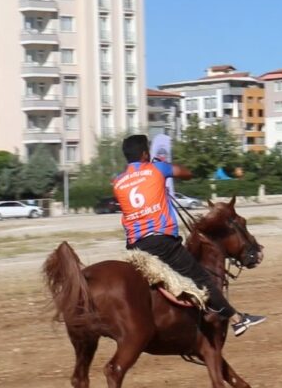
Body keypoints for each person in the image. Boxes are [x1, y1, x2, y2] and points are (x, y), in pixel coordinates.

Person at [112, 134, 266, 336]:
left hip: (135, 248)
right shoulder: (157, 169)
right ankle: (237, 319)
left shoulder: (117, 182)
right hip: (162, 243)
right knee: (202, 277)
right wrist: (162, 164)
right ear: (145, 153)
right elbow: (187, 173)